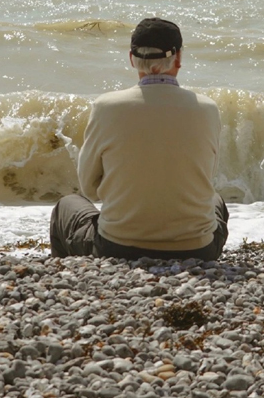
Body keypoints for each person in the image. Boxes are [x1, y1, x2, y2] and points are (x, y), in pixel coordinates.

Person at [50, 17, 229, 261]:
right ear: (178, 58)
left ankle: (68, 279)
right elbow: (206, 179)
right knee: (217, 201)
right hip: (197, 249)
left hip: (117, 246)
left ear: (132, 59)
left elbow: (89, 188)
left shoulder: (106, 107)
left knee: (67, 205)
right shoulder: (207, 109)